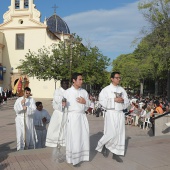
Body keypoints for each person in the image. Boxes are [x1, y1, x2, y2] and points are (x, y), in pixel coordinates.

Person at [95, 71, 130, 162]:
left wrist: (122, 101)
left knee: (119, 134)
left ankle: (116, 153)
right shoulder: (106, 90)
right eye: (117, 78)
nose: (118, 79)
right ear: (112, 78)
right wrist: (114, 100)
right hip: (110, 113)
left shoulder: (122, 90)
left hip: (120, 113)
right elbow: (102, 101)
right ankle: (103, 145)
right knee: (111, 133)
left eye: (119, 78)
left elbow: (127, 101)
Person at [63, 72, 90, 166]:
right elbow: (60, 105)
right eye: (80, 79)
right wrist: (63, 105)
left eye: (82, 79)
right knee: (74, 138)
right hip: (73, 117)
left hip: (82, 117)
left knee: (83, 137)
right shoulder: (67, 92)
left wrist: (85, 102)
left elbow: (88, 106)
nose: (82, 81)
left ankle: (82, 156)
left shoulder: (84, 92)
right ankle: (74, 159)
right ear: (74, 80)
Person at [45, 79, 69, 147]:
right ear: (61, 84)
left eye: (67, 83)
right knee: (56, 129)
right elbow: (56, 99)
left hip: (66, 113)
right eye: (64, 83)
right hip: (58, 113)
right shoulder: (57, 91)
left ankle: (64, 142)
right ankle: (55, 142)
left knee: (66, 129)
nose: (66, 85)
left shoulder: (69, 91)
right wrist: (63, 100)